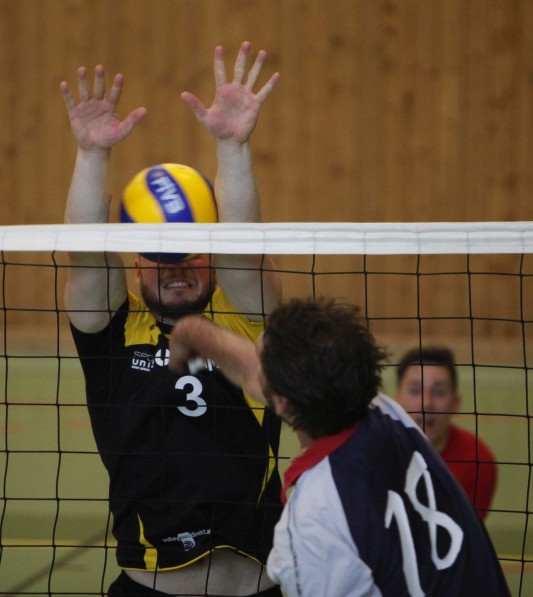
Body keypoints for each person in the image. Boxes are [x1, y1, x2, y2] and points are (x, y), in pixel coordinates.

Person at [60, 42, 283, 596]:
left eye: (189, 252)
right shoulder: (114, 331)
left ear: (211, 254)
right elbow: (84, 256)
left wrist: (233, 147)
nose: (176, 267)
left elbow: (244, 251)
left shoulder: (243, 316)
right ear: (136, 262)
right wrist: (91, 156)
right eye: (160, 256)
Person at [169, 297, 510, 596]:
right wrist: (191, 331)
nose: (256, 363)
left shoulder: (311, 519)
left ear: (282, 403)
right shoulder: (385, 412)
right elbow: (252, 372)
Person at [395, 346, 497, 520]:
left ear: (456, 403)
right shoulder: (376, 451)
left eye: (439, 392)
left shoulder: (478, 459)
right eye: (415, 391)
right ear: (396, 400)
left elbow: (465, 532)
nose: (426, 403)